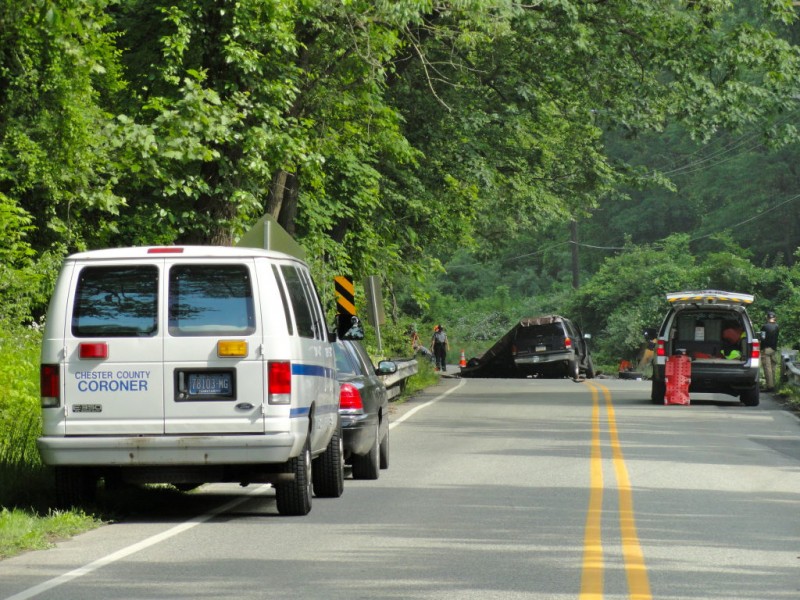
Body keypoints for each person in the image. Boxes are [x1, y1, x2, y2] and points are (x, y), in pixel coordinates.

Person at [760, 311, 780, 391]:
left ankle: (770, 386)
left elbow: (762, 338)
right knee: (773, 367)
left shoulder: (764, 327)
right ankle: (773, 384)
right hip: (773, 349)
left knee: (767, 368)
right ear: (774, 318)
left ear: (767, 318)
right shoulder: (777, 326)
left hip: (766, 349)